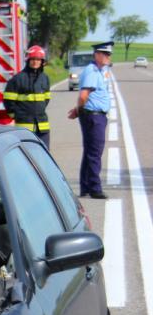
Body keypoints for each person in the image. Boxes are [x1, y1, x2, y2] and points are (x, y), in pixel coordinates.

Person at [67, 40, 114, 199]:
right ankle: (95, 188)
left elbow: (86, 97)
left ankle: (86, 187)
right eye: (105, 54)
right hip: (94, 116)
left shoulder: (100, 70)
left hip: (94, 114)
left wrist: (78, 110)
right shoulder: (93, 71)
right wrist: (79, 110)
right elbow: (83, 95)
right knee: (95, 152)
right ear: (97, 54)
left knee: (90, 151)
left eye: (109, 54)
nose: (108, 57)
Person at [3, 45, 51, 148]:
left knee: (44, 155)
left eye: (38, 59)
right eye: (33, 59)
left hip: (42, 126)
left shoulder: (45, 78)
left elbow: (46, 99)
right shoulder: (18, 79)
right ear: (28, 60)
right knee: (27, 157)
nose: (35, 62)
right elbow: (8, 101)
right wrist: (16, 115)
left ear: (42, 61)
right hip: (24, 127)